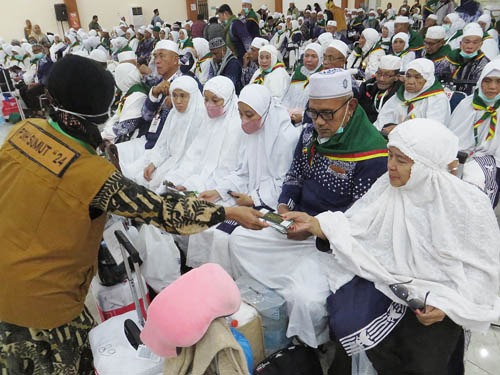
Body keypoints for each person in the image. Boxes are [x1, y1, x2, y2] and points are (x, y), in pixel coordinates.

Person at [0, 55, 266, 375]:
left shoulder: (23, 131)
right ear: (101, 110)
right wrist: (228, 211)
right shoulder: (93, 175)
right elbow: (166, 213)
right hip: (46, 305)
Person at [285, 118, 500, 375]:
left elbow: (484, 271)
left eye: (402, 160)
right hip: (388, 280)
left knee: (422, 360)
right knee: (348, 323)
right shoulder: (389, 186)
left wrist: (449, 306)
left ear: (426, 164)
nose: (390, 166)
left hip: (440, 297)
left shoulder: (467, 204)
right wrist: (315, 224)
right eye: (390, 155)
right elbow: (357, 224)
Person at [228, 69, 389, 348]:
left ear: (350, 106)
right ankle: (271, 311)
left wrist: (316, 227)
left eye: (328, 113)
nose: (319, 122)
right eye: (313, 113)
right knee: (239, 241)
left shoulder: (373, 154)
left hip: (332, 243)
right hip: (296, 226)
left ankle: (309, 349)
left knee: (307, 299)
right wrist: (283, 207)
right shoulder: (308, 135)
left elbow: (361, 218)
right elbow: (294, 176)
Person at [188, 84, 301, 272]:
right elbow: (242, 172)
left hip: (272, 203)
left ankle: (231, 284)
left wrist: (253, 199)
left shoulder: (286, 138)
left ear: (265, 112)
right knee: (206, 222)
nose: (243, 120)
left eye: (249, 115)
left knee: (224, 236)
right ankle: (209, 279)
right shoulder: (250, 133)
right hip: (248, 195)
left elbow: (285, 183)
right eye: (240, 114)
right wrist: (218, 191)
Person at [160, 76, 246, 194]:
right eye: (206, 100)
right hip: (198, 181)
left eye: (215, 100)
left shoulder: (236, 126)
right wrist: (181, 181)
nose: (209, 105)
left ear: (228, 100)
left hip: (220, 188)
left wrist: (196, 186)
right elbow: (194, 155)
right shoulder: (208, 120)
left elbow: (226, 170)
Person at [141, 76, 207, 191]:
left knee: (164, 188)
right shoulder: (174, 113)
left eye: (183, 96)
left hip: (189, 167)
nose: (178, 101)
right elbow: (164, 144)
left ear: (192, 96)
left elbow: (197, 157)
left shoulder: (202, 118)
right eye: (174, 96)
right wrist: (154, 163)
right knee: (143, 178)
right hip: (170, 160)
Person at [448, 60, 500, 207]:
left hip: (494, 161)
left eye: (498, 82)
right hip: (463, 156)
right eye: (487, 81)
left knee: (476, 181)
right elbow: (455, 137)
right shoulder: (467, 105)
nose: (493, 87)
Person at [375, 58, 450, 132]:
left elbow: (433, 129)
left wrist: (399, 129)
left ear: (427, 79)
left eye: (417, 77)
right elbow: (382, 120)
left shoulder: (437, 99)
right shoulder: (400, 95)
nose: (410, 82)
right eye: (408, 76)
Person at [101, 62, 148, 143]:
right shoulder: (129, 92)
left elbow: (126, 126)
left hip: (132, 139)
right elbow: (117, 115)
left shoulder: (137, 95)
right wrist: (105, 131)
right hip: (116, 135)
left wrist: (103, 135)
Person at [442, 23, 490, 95]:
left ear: (480, 45)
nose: (470, 46)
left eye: (475, 43)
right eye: (467, 42)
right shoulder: (451, 57)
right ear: (461, 44)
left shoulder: (484, 64)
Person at [282, 43, 323, 123]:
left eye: (313, 56)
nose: (309, 59)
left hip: (308, 121)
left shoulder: (322, 77)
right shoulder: (297, 73)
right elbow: (287, 96)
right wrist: (285, 112)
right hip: (288, 117)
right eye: (306, 56)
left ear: (320, 59)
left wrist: (303, 116)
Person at [359, 55, 403, 123]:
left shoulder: (401, 92)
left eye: (387, 75)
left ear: (396, 77)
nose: (381, 79)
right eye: (379, 74)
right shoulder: (368, 87)